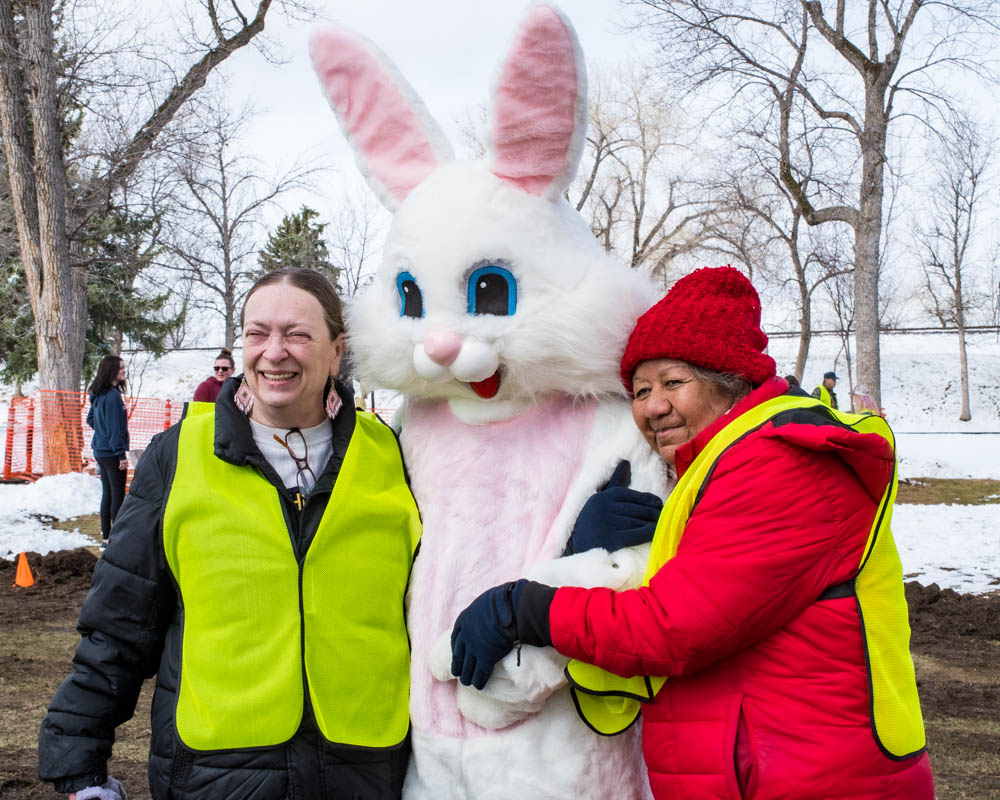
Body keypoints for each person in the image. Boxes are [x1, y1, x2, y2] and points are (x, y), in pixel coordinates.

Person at [449, 266, 934, 799]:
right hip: (750, 772)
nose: (653, 406)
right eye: (639, 389)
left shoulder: (783, 463)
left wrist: (526, 608)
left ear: (729, 380)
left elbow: (671, 628)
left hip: (819, 780)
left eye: (673, 383)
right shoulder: (708, 471)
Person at [39, 268, 421, 800]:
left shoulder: (393, 456)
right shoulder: (178, 455)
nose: (274, 351)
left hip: (365, 770)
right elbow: (120, 619)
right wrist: (78, 760)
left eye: (298, 334)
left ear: (338, 351)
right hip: (214, 773)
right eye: (257, 333)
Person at [86, 355, 129, 544]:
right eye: (120, 368)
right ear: (111, 370)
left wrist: (102, 434)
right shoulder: (112, 397)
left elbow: (91, 420)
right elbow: (114, 429)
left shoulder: (98, 393)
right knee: (117, 495)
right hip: (112, 454)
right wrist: (120, 454)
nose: (124, 370)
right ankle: (116, 539)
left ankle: (106, 535)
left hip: (100, 451)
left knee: (108, 493)